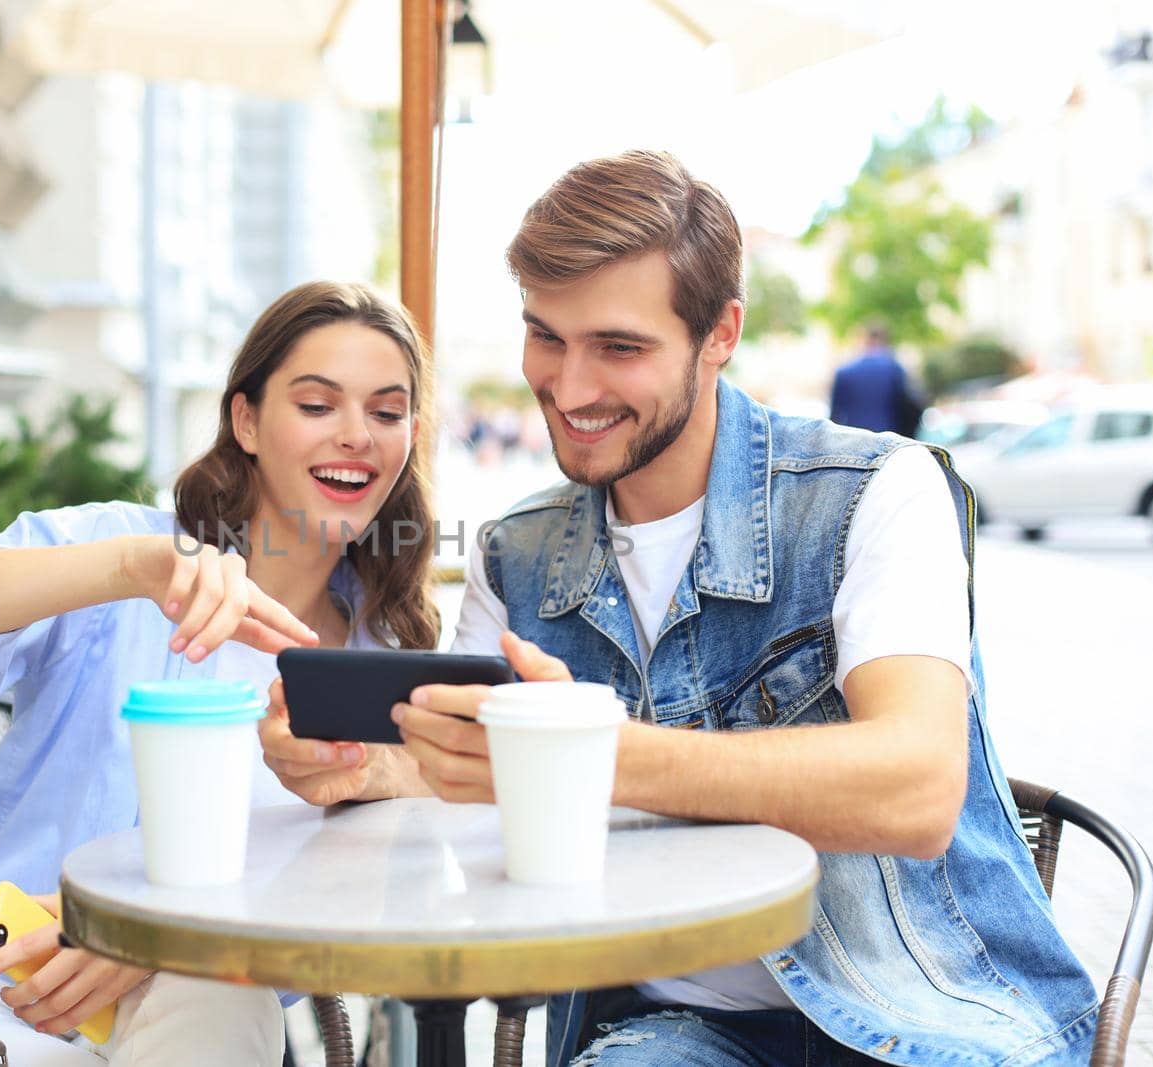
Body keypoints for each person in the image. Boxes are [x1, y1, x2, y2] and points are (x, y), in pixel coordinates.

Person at [262, 152, 1098, 1065]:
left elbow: (918, 785)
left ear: (719, 333)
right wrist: (360, 770)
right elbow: (464, 775)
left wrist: (586, 753)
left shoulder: (875, 492)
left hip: (932, 1013)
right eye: (547, 336)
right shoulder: (520, 551)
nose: (570, 389)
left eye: (618, 348)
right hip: (670, 1033)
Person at [0, 280, 441, 1066]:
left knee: (223, 988)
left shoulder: (383, 658)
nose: (357, 434)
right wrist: (132, 567)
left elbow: (369, 890)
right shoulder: (129, 555)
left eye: (386, 412)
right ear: (246, 419)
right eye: (318, 404)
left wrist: (155, 935)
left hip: (195, 1011)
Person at [829, 322, 924, 436]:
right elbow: (908, 404)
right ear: (884, 340)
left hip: (855, 438)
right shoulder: (895, 369)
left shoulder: (845, 371)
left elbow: (835, 414)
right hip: (888, 436)